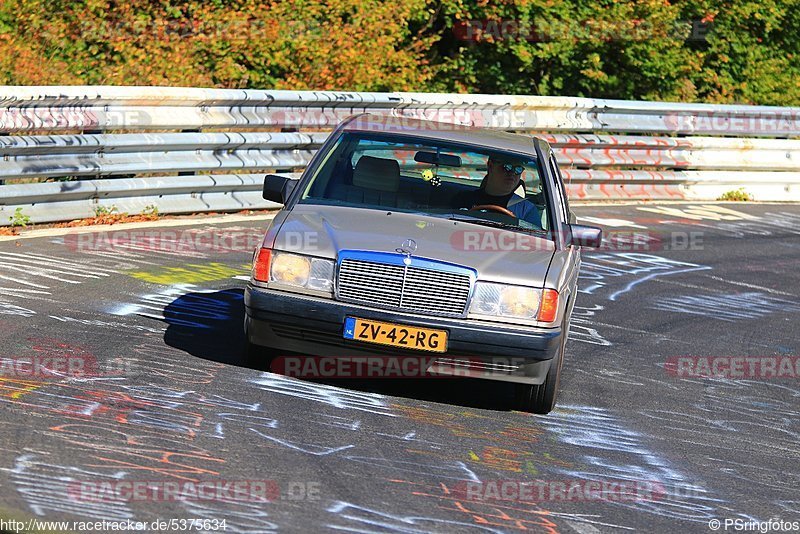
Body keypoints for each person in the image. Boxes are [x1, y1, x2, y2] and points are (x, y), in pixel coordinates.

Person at [451, 155, 541, 227]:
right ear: (490, 166)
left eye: (518, 169)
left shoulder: (527, 210)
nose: (512, 173)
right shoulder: (463, 199)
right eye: (507, 167)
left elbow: (535, 242)